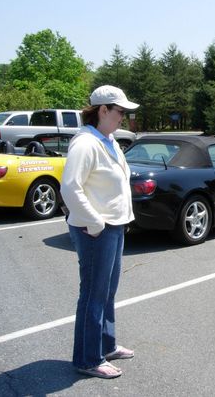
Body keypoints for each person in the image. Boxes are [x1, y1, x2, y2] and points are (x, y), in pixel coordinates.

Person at [61, 85, 140, 379]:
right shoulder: (86, 143)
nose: (124, 117)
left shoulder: (107, 140)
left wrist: (122, 218)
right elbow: (70, 187)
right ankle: (87, 358)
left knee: (107, 292)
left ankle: (105, 345)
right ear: (103, 110)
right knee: (94, 294)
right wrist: (94, 222)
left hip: (113, 227)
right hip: (96, 230)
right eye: (120, 111)